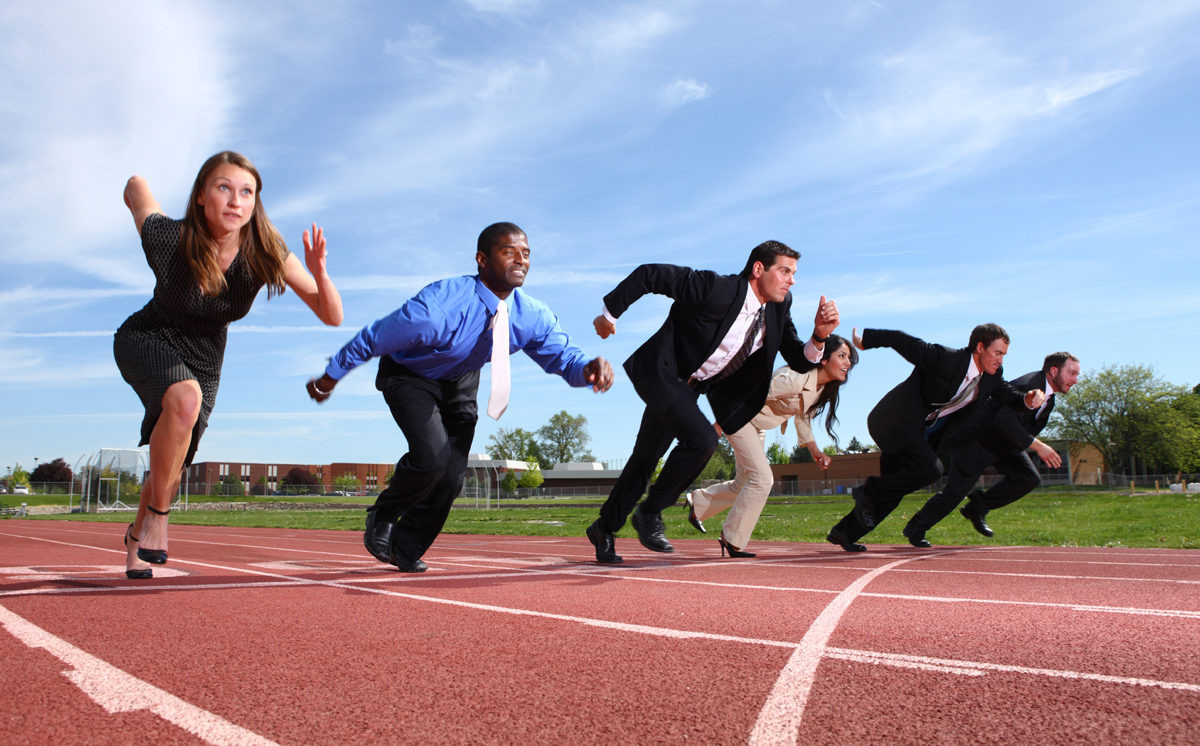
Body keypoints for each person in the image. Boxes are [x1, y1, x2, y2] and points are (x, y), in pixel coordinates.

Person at [307, 222, 613, 572]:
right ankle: (385, 512)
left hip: (461, 379)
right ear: (482, 259)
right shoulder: (437, 308)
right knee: (432, 457)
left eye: (526, 253)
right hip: (410, 375)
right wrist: (330, 377)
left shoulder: (531, 315)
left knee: (452, 474)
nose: (520, 260)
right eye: (508, 251)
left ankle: (405, 547)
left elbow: (563, 357)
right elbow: (374, 338)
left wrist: (587, 368)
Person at [116, 151, 344, 579]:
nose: (235, 201)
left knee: (175, 462)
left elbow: (331, 315)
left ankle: (136, 536)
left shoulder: (265, 253)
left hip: (205, 356)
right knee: (185, 401)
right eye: (224, 188)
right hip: (147, 337)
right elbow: (135, 189)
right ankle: (160, 519)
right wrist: (139, 186)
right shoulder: (170, 238)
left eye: (246, 192)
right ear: (202, 195)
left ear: (255, 203)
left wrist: (320, 272)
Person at [586, 240, 839, 564]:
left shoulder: (779, 305)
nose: (791, 280)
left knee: (645, 459)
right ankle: (649, 512)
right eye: (785, 271)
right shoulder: (714, 288)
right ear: (758, 269)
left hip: (693, 388)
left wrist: (819, 336)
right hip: (662, 372)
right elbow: (650, 275)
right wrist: (610, 314)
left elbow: (796, 357)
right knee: (702, 439)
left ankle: (603, 527)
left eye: (794, 273)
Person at [825, 324, 1044, 552]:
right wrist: (865, 341)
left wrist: (1027, 400)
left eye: (1004, 355)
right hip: (894, 421)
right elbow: (901, 339)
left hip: (921, 432)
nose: (1001, 360)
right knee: (930, 470)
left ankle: (845, 532)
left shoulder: (991, 376)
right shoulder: (945, 359)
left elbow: (1007, 393)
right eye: (997, 353)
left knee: (895, 484)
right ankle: (867, 491)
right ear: (980, 347)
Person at [685, 334, 858, 557]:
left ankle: (698, 503)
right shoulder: (794, 378)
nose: (848, 363)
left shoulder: (821, 388)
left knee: (745, 482)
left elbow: (802, 417)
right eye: (842, 356)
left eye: (850, 358)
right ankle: (732, 539)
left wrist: (815, 450)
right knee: (762, 478)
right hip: (740, 418)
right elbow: (753, 393)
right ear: (824, 359)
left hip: (758, 424)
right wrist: (719, 425)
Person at [902, 352, 1081, 546]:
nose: (1076, 380)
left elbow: (1022, 427)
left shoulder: (1049, 399)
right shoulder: (1027, 386)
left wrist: (1029, 443)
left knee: (1028, 478)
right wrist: (1037, 446)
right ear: (1054, 371)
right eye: (1072, 373)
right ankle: (916, 528)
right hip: (976, 440)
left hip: (1004, 443)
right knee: (955, 492)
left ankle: (977, 507)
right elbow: (1004, 420)